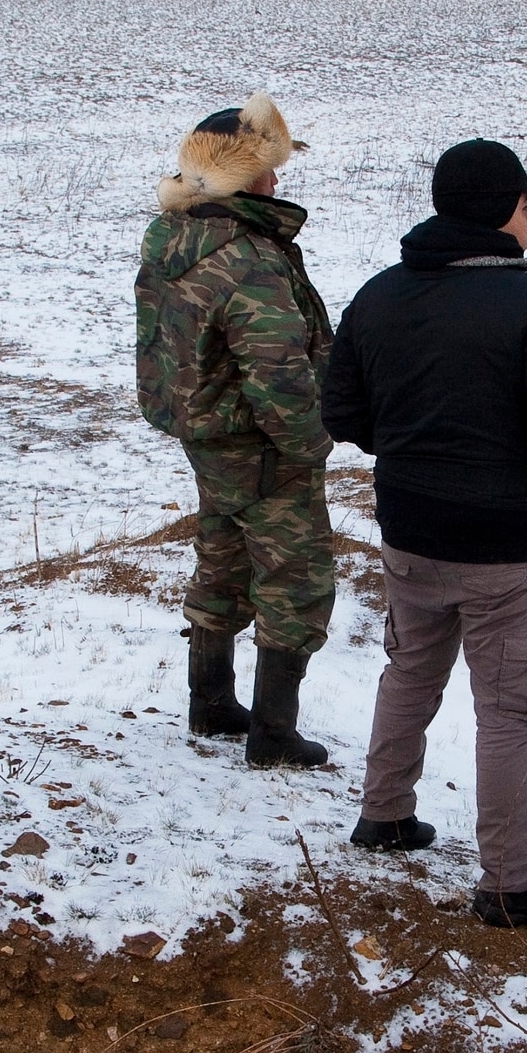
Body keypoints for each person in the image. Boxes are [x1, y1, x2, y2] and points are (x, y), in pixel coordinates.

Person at [323, 139, 527, 929]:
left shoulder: (378, 296)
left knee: (410, 673)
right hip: (504, 550)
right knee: (510, 712)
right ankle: (510, 888)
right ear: (499, 210)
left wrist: (414, 450)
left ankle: (384, 816)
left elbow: (341, 413)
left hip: (408, 534)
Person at [134, 94, 336, 769]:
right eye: (267, 171)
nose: (277, 182)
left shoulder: (174, 239)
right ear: (244, 179)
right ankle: (273, 734)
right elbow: (277, 369)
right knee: (294, 576)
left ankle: (210, 700)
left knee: (222, 559)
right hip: (260, 443)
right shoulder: (247, 256)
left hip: (208, 433)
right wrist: (310, 445)